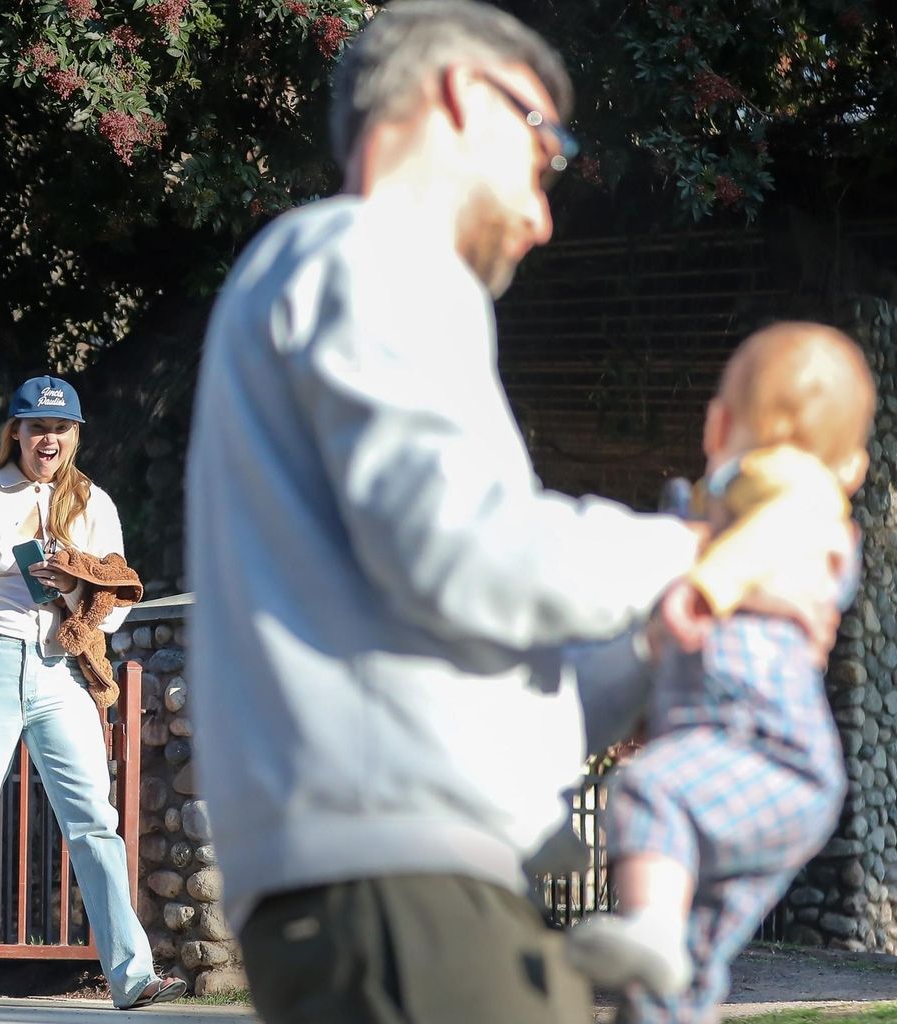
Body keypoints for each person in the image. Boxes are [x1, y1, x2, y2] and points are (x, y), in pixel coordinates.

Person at [185, 4, 845, 1022]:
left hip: (397, 883)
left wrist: (678, 633)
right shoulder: (372, 253)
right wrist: (696, 551)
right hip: (407, 895)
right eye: (547, 145)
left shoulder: (317, 275)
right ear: (461, 92)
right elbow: (465, 550)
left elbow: (501, 677)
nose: (542, 215)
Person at [567, 322, 876, 1024]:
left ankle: (648, 930)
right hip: (773, 768)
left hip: (767, 751)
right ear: (856, 463)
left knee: (646, 792)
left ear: (719, 424)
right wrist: (650, 711)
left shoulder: (783, 487)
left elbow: (783, 524)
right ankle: (660, 966)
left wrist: (704, 586)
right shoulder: (735, 513)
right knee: (679, 977)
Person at [0, 375, 186, 1010]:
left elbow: (114, 607)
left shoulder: (94, 503)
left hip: (60, 672)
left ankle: (132, 976)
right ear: (16, 432)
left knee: (94, 824)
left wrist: (73, 588)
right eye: (36, 427)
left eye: (60, 428)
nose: (47, 438)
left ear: (74, 436)